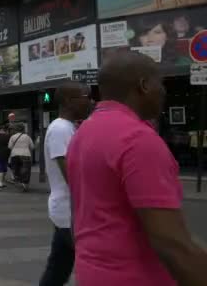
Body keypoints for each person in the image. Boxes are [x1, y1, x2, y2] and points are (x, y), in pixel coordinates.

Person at [67, 50, 207, 285]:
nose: (163, 91)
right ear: (143, 85)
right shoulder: (138, 139)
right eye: (160, 83)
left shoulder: (83, 133)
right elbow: (171, 243)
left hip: (92, 273)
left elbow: (78, 215)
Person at [39, 81, 91, 286]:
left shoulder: (68, 127)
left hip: (67, 210)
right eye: (85, 97)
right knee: (93, 264)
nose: (90, 101)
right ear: (70, 101)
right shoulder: (61, 129)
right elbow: (71, 173)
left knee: (59, 267)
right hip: (68, 211)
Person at [8, 123, 34, 192]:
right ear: (23, 129)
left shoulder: (13, 137)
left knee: (16, 170)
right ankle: (25, 184)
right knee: (26, 170)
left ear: (16, 129)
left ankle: (20, 181)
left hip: (15, 155)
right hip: (26, 155)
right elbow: (32, 147)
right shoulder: (27, 137)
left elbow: (10, 147)